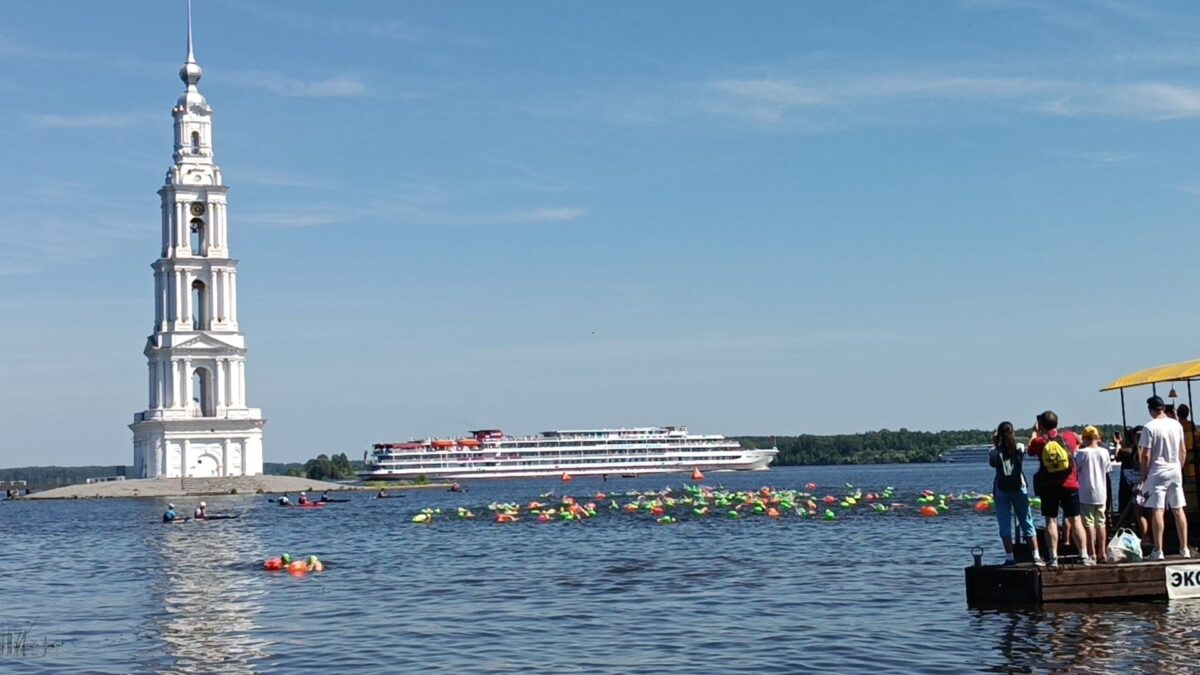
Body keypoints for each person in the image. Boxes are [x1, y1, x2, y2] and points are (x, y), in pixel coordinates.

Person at [1028, 410, 1091, 567]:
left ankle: (1053, 558)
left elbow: (1030, 449)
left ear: (1041, 425)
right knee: (1075, 519)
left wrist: (1035, 432)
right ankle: (1084, 555)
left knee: (1051, 520)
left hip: (1048, 486)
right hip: (1069, 484)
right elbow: (1079, 442)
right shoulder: (1068, 437)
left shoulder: (1040, 442)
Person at [1140, 395, 1190, 560]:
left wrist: (1144, 474)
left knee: (1157, 509)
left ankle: (1158, 550)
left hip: (1157, 471)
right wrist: (1179, 467)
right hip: (1175, 469)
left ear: (1151, 410)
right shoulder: (1176, 425)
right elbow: (1183, 450)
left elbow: (1146, 455)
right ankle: (1184, 548)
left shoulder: (1149, 427)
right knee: (1178, 509)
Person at [989, 421, 1044, 566]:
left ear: (999, 435)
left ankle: (1009, 557)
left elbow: (992, 463)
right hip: (1019, 488)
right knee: (1027, 521)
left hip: (1001, 489)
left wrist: (996, 442)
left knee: (1004, 523)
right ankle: (1036, 556)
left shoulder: (993, 451)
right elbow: (1028, 447)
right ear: (1013, 433)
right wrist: (1034, 431)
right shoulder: (1019, 447)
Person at [1075, 426, 1112, 563]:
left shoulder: (1081, 453)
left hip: (1086, 492)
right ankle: (1102, 552)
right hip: (1101, 492)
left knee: (1088, 523)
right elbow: (1107, 470)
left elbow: (1076, 470)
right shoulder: (1105, 452)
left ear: (1084, 438)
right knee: (1101, 523)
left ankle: (1092, 553)